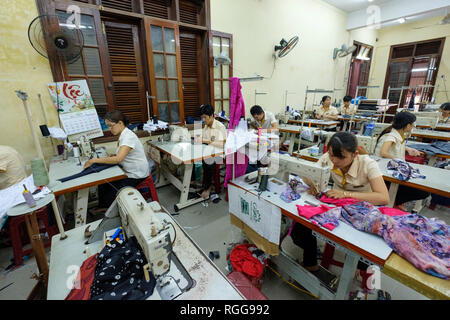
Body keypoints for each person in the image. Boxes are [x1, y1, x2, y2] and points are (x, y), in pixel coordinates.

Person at [290, 132, 389, 273]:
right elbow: (310, 174)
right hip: (335, 204)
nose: (334, 160)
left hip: (360, 209)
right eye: (331, 154)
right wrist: (313, 183)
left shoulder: (368, 164)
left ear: (354, 154)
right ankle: (311, 263)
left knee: (365, 254)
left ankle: (356, 269)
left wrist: (345, 194)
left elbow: (383, 197)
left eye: (340, 157)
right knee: (300, 227)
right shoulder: (328, 158)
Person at [84, 110, 149, 210]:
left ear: (120, 123)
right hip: (129, 170)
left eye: (111, 126)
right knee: (103, 184)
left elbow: (118, 159)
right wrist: (114, 155)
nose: (110, 129)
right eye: (108, 126)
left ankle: (108, 210)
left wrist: (94, 160)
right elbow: (122, 154)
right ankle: (103, 207)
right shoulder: (123, 134)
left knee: (111, 192)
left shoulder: (128, 137)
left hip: (136, 174)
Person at [374, 111, 429, 210]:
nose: (413, 127)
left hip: (389, 169)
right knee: (423, 192)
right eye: (413, 125)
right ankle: (393, 201)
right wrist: (400, 161)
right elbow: (383, 152)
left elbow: (397, 143)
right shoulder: (391, 136)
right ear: (407, 125)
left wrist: (408, 149)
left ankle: (395, 201)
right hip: (385, 174)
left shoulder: (396, 133)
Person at [195, 104, 227, 199]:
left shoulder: (220, 127)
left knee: (207, 162)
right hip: (209, 151)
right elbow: (204, 141)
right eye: (202, 117)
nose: (203, 120)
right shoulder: (206, 126)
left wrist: (205, 141)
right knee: (194, 158)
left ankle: (207, 188)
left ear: (212, 116)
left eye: (205, 117)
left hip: (220, 153)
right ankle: (200, 183)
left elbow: (222, 144)